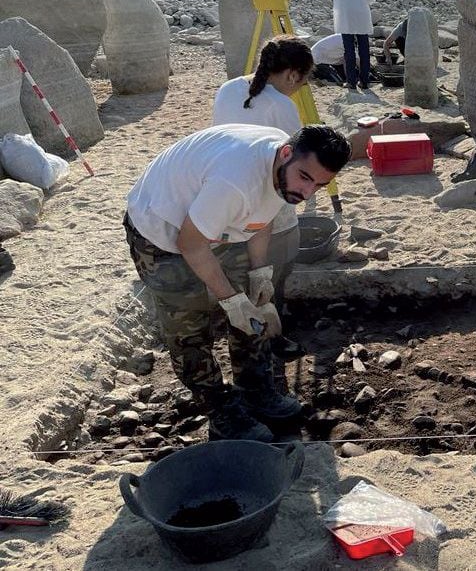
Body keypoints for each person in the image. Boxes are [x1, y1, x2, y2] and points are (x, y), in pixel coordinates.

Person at [123, 124, 351, 441]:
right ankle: (221, 411)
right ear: (286, 154)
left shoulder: (284, 168)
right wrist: (231, 301)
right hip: (161, 231)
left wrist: (260, 275)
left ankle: (254, 389)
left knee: (253, 303)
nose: (307, 192)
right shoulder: (234, 182)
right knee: (188, 326)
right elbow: (190, 244)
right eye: (305, 178)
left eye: (319, 185)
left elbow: (262, 217)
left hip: (213, 223)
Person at [212, 35, 312, 325]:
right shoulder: (280, 104)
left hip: (226, 194)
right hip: (263, 195)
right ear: (293, 75)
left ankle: (245, 322)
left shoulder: (228, 88)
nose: (298, 90)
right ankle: (270, 326)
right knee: (278, 260)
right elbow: (296, 160)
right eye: (302, 83)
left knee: (240, 270)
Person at [328, 0, 376, 92]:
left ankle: (351, 82)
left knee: (348, 49)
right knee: (363, 49)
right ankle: (365, 82)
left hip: (343, 13)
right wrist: (360, 1)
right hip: (361, 12)